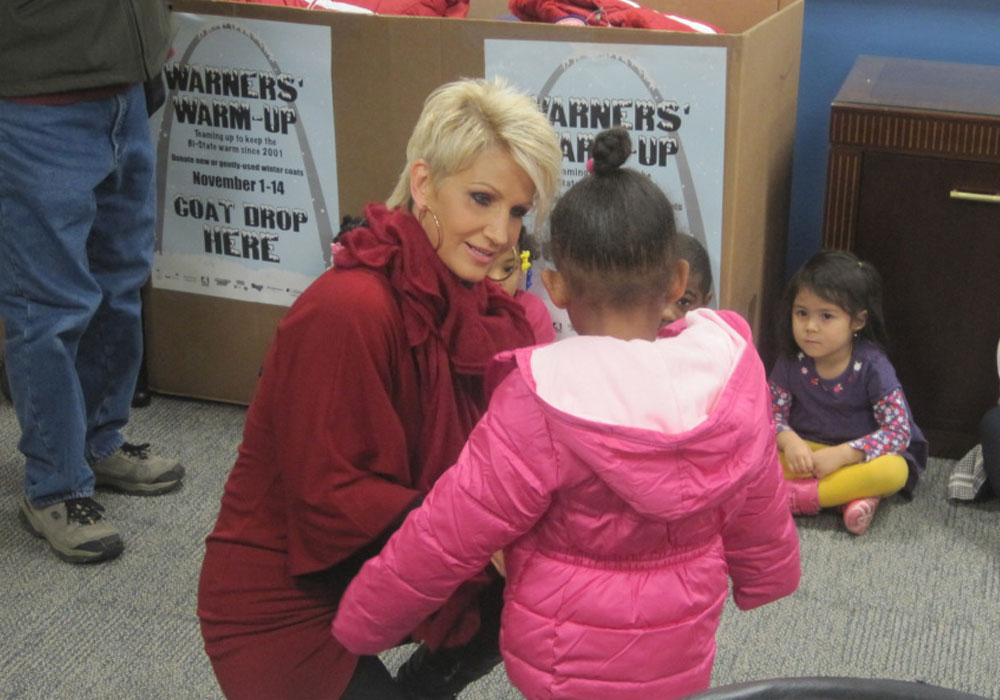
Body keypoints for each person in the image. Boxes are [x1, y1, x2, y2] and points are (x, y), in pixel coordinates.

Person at [332, 127, 801, 700]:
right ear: (679, 279)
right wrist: (765, 577)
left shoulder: (543, 398)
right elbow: (758, 491)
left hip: (562, 659)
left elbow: (450, 529)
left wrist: (365, 620)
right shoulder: (729, 369)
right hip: (682, 640)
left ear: (554, 287)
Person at [197, 77, 562, 700]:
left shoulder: (480, 305)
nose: (502, 233)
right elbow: (329, 498)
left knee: (543, 571)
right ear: (424, 184)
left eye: (518, 211)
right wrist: (479, 535)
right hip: (283, 596)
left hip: (381, 565)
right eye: (481, 198)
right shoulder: (348, 307)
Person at [0, 0, 184, 565]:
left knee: (119, 281)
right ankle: (55, 486)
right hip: (35, 100)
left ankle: (98, 442)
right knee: (48, 308)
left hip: (124, 88)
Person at [769, 250, 928, 535]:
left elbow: (898, 431)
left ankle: (799, 497)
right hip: (808, 452)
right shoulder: (790, 361)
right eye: (801, 313)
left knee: (894, 472)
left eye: (826, 316)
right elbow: (770, 416)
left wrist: (844, 454)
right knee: (753, 454)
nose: (810, 327)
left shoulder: (873, 366)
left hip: (858, 457)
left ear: (857, 321)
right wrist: (790, 440)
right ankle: (847, 498)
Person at [486, 226, 556, 343]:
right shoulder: (460, 306)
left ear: (521, 271)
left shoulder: (532, 311)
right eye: (485, 267)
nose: (497, 280)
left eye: (508, 269)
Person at [660, 232, 714, 326]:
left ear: (705, 303)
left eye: (684, 302)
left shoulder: (717, 338)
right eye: (657, 299)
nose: (667, 314)